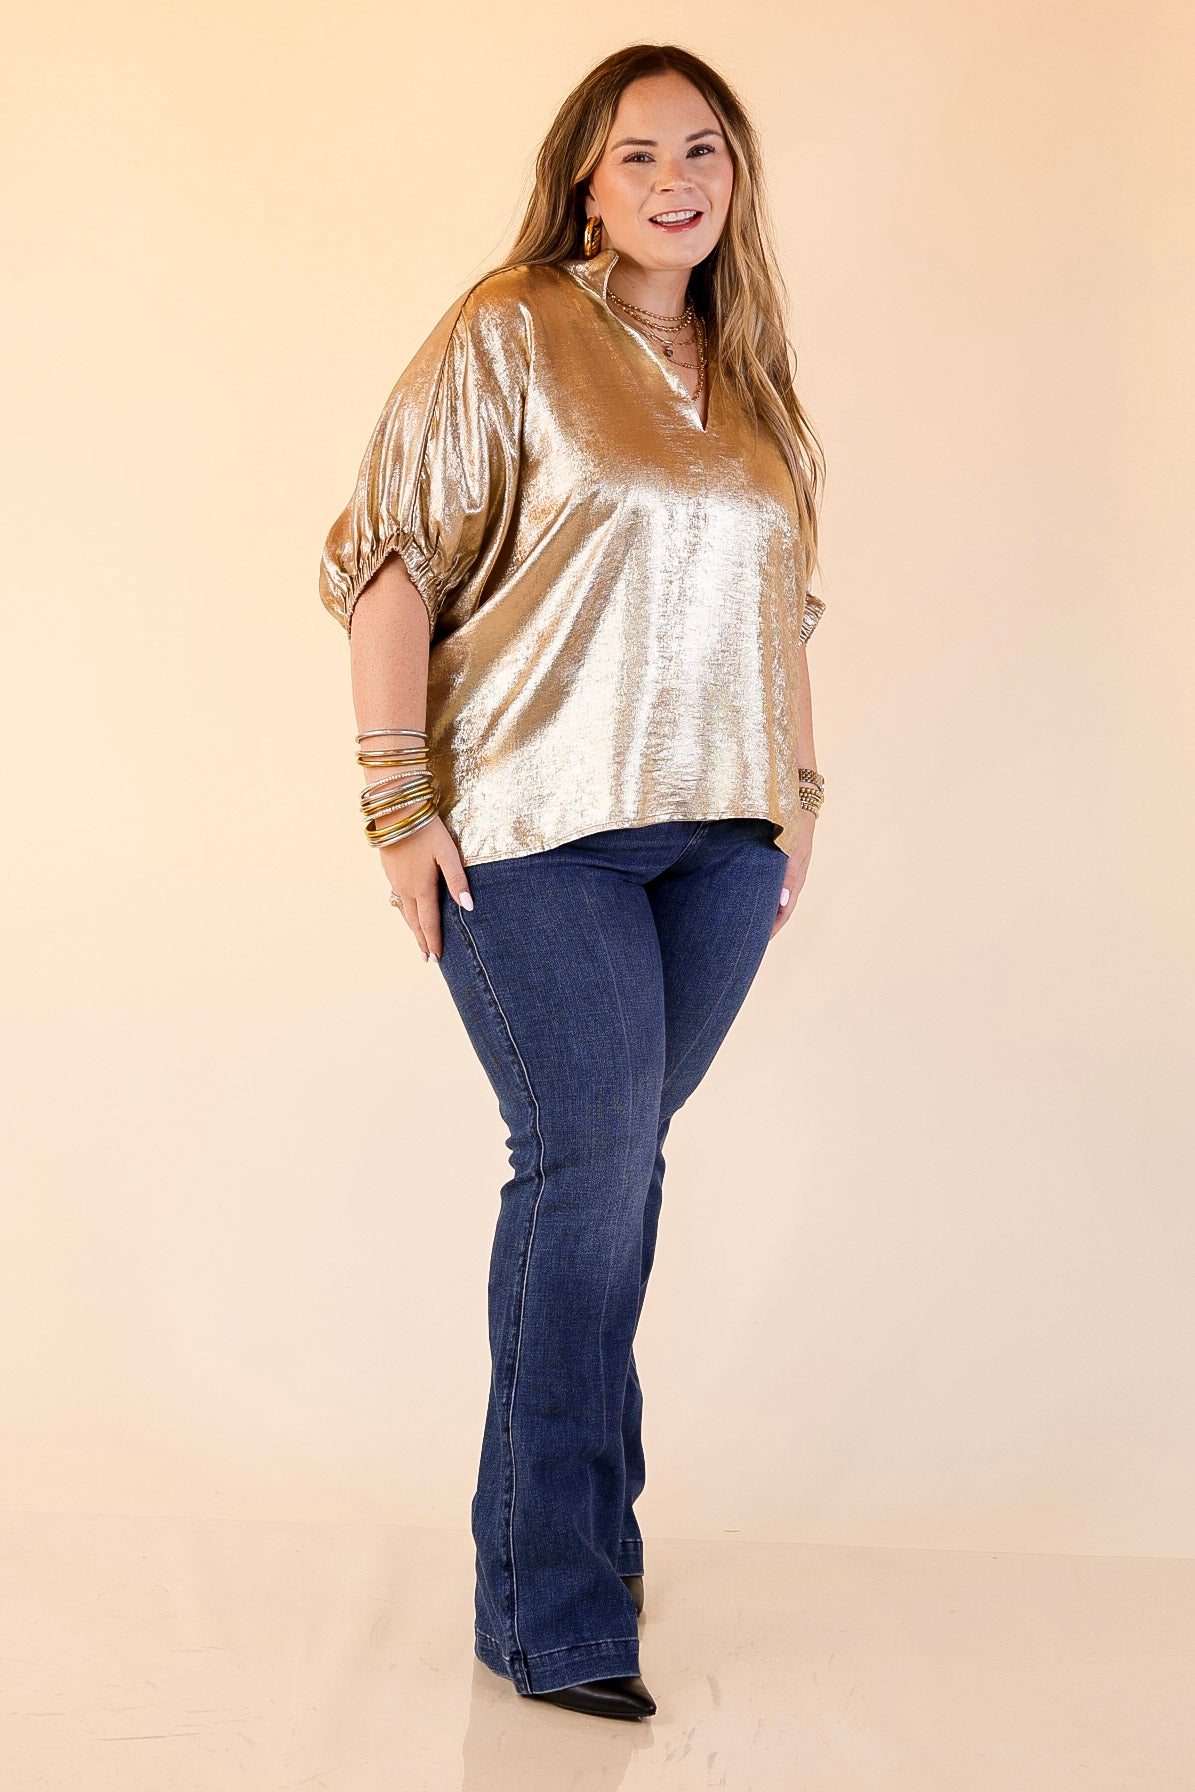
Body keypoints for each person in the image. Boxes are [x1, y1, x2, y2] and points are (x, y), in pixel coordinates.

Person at [318, 42, 827, 1723]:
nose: (676, 181)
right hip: (538, 833)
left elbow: (783, 609)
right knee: (588, 1168)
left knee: (617, 1177)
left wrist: (800, 797)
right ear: (586, 184)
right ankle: (549, 1610)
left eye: (704, 150)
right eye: (638, 155)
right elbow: (391, 556)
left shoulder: (753, 380)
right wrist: (396, 800)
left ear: (735, 175)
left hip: (721, 846)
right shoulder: (512, 327)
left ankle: (577, 1541)